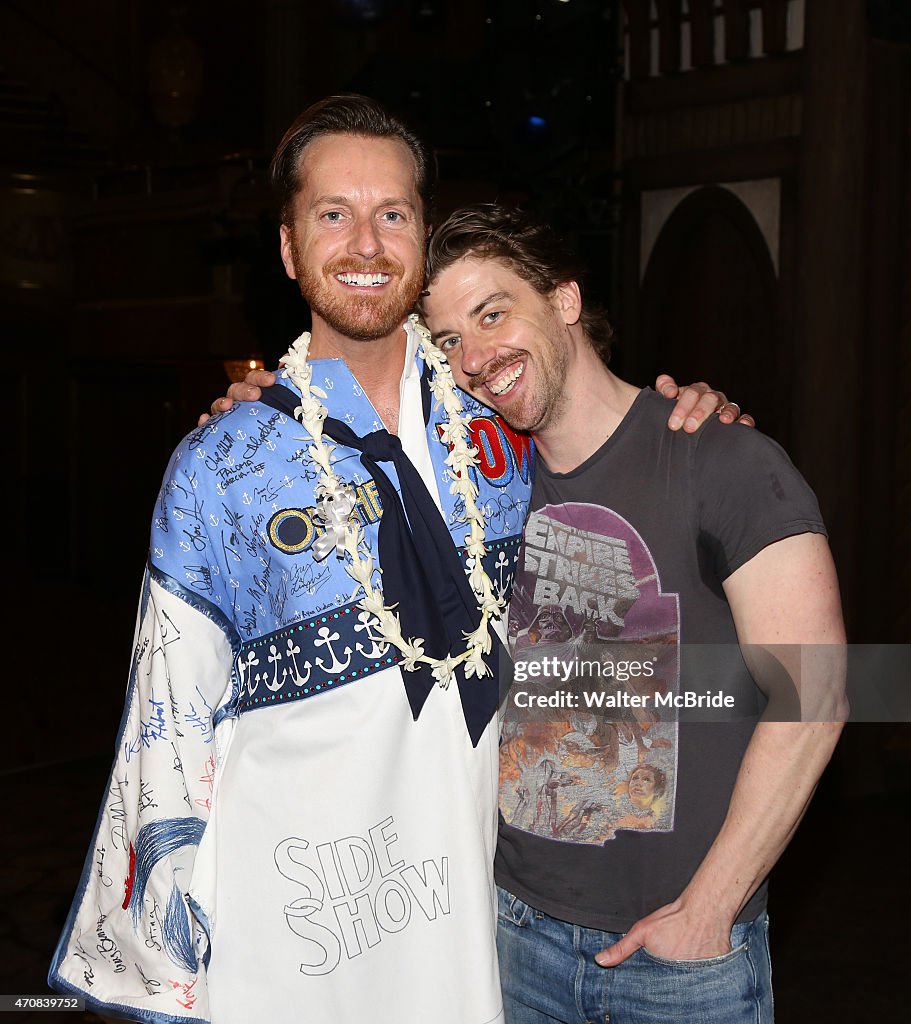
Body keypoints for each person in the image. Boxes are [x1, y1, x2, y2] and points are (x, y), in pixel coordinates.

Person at [49, 95, 743, 1024]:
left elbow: (605, 423)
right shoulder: (222, 469)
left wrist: (691, 414)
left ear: (422, 241)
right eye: (332, 214)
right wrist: (166, 970)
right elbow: (165, 734)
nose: (365, 244)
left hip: (474, 921)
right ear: (291, 249)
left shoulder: (501, 422)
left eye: (393, 215)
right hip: (290, 932)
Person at [416, 204, 847, 1024]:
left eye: (493, 313)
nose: (473, 358)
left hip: (682, 964)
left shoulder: (722, 457)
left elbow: (817, 695)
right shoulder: (477, 491)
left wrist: (709, 909)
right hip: (509, 937)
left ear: (565, 301)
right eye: (446, 342)